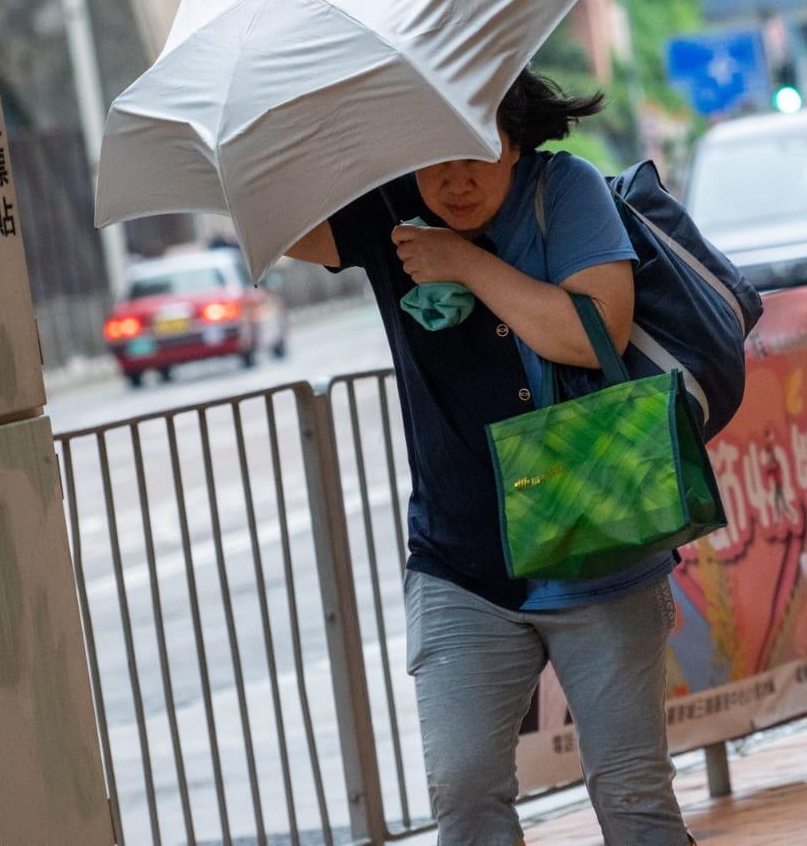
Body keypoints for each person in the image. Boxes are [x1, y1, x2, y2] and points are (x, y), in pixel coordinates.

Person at [284, 69, 692, 845]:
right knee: (464, 791)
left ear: (512, 138)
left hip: (600, 539)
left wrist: (466, 263)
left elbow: (595, 332)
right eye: (430, 156)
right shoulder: (388, 210)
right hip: (459, 562)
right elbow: (275, 221)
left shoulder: (563, 190)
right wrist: (333, 123)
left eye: (473, 148)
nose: (456, 179)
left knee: (632, 795)